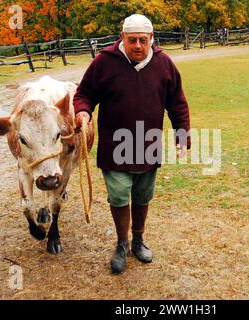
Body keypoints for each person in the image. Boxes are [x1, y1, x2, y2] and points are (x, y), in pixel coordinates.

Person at [73, 14, 191, 274]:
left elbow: (177, 103)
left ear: (151, 39)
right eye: (132, 40)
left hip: (148, 145)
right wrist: (83, 111)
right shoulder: (104, 62)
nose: (137, 45)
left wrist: (183, 135)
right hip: (115, 146)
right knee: (118, 194)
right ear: (122, 38)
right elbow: (84, 94)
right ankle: (121, 244)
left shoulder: (164, 64)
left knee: (142, 196)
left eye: (142, 40)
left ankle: (138, 240)